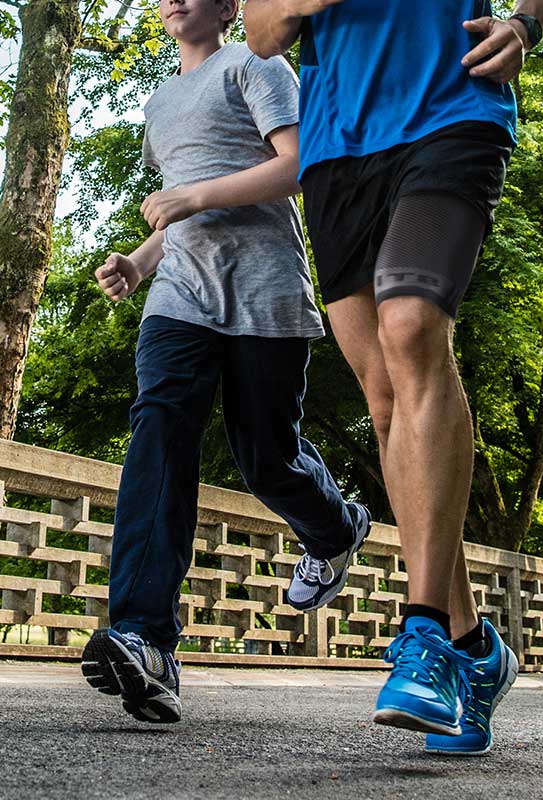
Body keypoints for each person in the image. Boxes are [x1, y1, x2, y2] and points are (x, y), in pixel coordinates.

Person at [243, 0, 543, 755]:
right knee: (385, 399)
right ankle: (474, 650)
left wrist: (526, 23)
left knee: (412, 323)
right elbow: (262, 33)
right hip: (337, 149)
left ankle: (422, 634)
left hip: (453, 111)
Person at [80, 0, 371, 724]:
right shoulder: (160, 102)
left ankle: (335, 527)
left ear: (228, 7)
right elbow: (180, 213)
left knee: (266, 460)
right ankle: (145, 638)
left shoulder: (254, 63)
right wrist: (141, 264)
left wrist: (195, 195)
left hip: (265, 293)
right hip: (179, 300)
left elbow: (299, 164)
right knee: (159, 435)